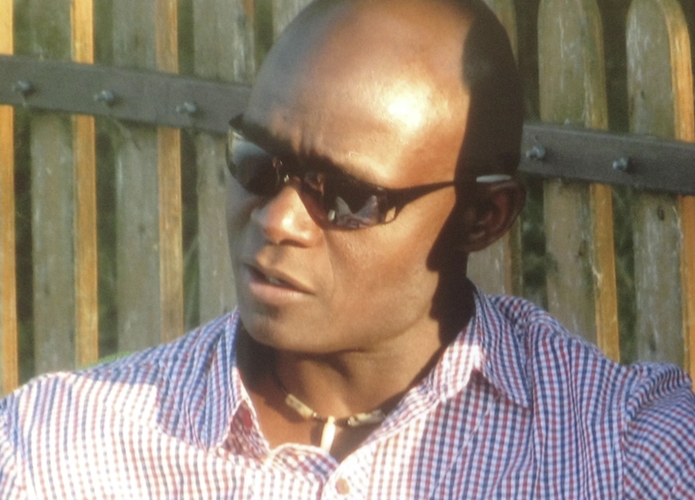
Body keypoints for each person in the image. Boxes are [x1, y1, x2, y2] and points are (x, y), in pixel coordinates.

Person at [1, 0, 694, 497]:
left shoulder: (621, 454)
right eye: (258, 161)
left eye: (347, 195)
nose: (278, 219)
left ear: (483, 217)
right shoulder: (61, 451)